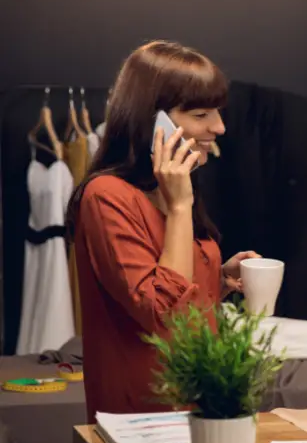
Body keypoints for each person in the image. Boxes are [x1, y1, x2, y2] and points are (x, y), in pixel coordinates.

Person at [66, 41, 259, 422]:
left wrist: (217, 281)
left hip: (200, 408)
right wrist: (181, 207)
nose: (219, 127)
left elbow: (176, 293)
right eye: (201, 113)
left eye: (218, 112)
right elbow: (161, 311)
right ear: (152, 121)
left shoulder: (170, 188)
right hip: (142, 421)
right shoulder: (107, 196)